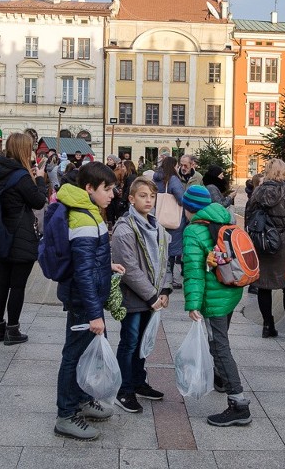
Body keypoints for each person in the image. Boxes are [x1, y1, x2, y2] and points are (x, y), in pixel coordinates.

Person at [53, 162, 122, 441]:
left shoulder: (89, 211)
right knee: (73, 355)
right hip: (84, 300)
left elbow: (90, 260)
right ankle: (66, 415)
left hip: (89, 297)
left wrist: (107, 267)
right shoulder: (83, 218)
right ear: (89, 188)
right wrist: (95, 315)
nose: (113, 194)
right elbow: (82, 271)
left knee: (81, 353)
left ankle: (81, 400)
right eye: (107, 189)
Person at [182, 184, 252, 427]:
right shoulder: (226, 220)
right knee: (220, 342)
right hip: (232, 292)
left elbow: (193, 272)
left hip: (214, 298)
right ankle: (221, 379)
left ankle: (239, 403)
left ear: (188, 209)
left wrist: (193, 304)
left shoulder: (193, 231)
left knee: (220, 346)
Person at [111, 176, 172, 414]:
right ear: (131, 198)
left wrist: (165, 289)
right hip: (134, 298)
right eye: (143, 196)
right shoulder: (125, 229)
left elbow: (165, 260)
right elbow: (129, 269)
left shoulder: (157, 227)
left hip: (151, 298)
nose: (148, 200)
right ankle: (123, 389)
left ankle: (138, 381)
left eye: (152, 196)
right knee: (129, 342)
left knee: (142, 344)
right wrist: (151, 296)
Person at [0, 133, 48, 344]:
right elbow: (39, 201)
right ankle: (12, 330)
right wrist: (39, 179)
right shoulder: (21, 175)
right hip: (21, 233)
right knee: (18, 285)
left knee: (2, 282)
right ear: (24, 149)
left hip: (3, 230)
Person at [245, 159, 285, 342]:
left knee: (263, 286)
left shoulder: (257, 193)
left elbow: (249, 219)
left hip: (262, 243)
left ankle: (267, 325)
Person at [153, 156, 185, 289]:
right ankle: (169, 278)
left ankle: (160, 275)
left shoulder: (156, 178)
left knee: (161, 246)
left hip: (159, 216)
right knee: (171, 249)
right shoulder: (172, 179)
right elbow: (181, 198)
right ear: (173, 166)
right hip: (173, 219)